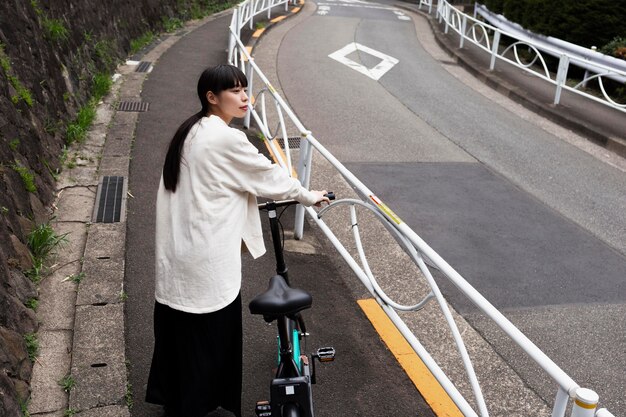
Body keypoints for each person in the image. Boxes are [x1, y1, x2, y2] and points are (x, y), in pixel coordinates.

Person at [145, 64, 329, 417]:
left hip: (178, 254)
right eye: (234, 91)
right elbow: (268, 176)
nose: (244, 97)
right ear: (211, 97)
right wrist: (308, 195)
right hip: (205, 258)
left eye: (245, 89)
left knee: (179, 336)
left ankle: (177, 401)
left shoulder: (191, 130)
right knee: (209, 340)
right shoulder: (226, 138)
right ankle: (194, 406)